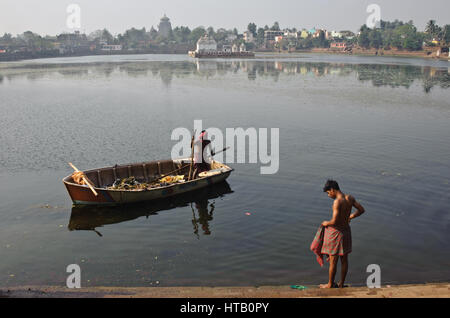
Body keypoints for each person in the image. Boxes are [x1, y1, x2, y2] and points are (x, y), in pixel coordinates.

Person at [319, 179, 365, 288]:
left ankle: (330, 284)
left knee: (333, 260)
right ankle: (341, 284)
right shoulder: (349, 198)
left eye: (328, 193)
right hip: (346, 232)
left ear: (332, 189)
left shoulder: (337, 202)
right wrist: (350, 216)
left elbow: (334, 221)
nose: (328, 195)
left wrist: (326, 223)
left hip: (336, 233)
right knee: (344, 260)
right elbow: (361, 210)